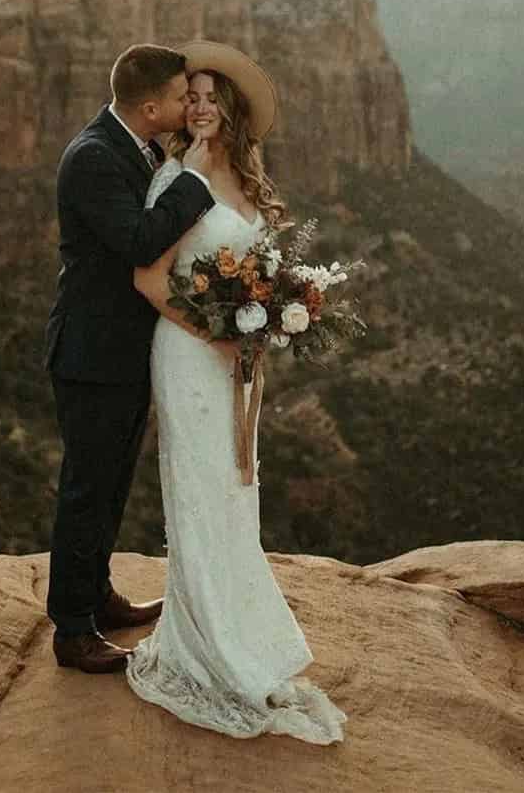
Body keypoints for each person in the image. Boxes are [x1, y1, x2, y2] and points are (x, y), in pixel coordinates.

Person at [126, 40, 347, 744]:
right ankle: (206, 649)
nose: (197, 108)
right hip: (189, 354)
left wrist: (270, 319)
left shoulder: (250, 181)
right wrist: (216, 333)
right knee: (199, 486)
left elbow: (257, 267)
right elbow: (149, 279)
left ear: (231, 107)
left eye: (209, 96)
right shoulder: (173, 178)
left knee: (235, 488)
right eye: (188, 97)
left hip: (234, 359)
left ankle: (241, 635)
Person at [45, 43, 218, 673]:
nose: (185, 105)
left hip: (122, 352)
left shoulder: (135, 145)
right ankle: (71, 630)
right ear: (151, 107)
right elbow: (140, 241)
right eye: (178, 97)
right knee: (87, 489)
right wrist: (197, 180)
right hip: (92, 355)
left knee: (112, 483)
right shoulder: (93, 158)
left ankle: (96, 596)